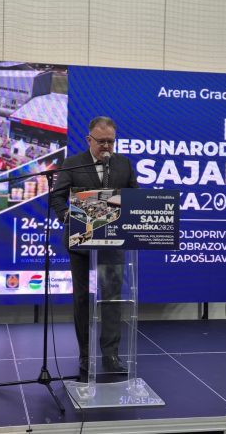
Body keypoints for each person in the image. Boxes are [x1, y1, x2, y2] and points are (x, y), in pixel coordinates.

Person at [52, 116, 138, 374]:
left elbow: (135, 196)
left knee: (112, 298)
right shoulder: (73, 163)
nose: (106, 146)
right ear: (89, 139)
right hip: (80, 242)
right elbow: (57, 197)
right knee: (82, 299)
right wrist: (66, 216)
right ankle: (85, 355)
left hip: (113, 241)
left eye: (111, 141)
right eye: (101, 142)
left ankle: (111, 355)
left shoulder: (123, 164)